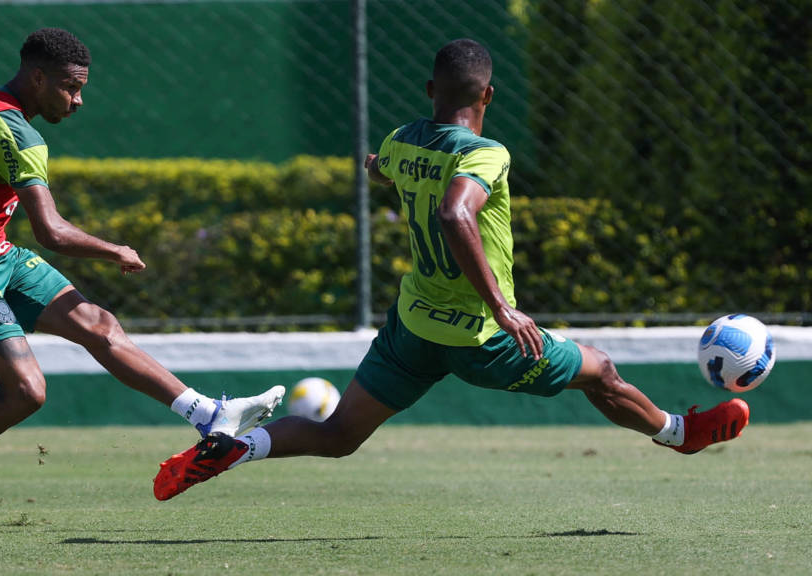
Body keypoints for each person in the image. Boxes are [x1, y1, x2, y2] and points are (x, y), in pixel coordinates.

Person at [151, 38, 750, 501]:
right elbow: (455, 212)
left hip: (413, 327)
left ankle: (235, 448)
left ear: (430, 89)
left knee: (337, 435)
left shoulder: (402, 140)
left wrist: (380, 166)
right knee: (602, 371)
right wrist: (502, 308)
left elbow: (380, 168)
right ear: (488, 95)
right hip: (481, 337)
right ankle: (680, 433)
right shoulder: (486, 153)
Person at [0, 27, 284, 531]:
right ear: (38, 78)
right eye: (70, 87)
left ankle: (207, 414)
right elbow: (51, 232)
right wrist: (115, 250)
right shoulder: (18, 135)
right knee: (26, 392)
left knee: (98, 324)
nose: (78, 100)